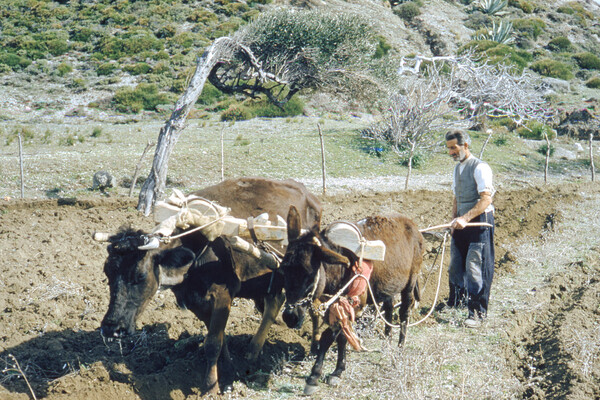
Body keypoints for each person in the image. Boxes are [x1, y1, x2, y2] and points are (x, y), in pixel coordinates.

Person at [444, 129, 495, 328]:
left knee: (475, 268)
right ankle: (455, 303)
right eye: (448, 148)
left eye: (454, 148)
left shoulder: (480, 167)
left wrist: (465, 219)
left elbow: (486, 199)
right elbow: (457, 198)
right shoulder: (457, 169)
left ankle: (477, 313)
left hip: (479, 223)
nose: (451, 152)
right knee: (455, 265)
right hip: (462, 224)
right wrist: (454, 222)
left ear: (465, 145)